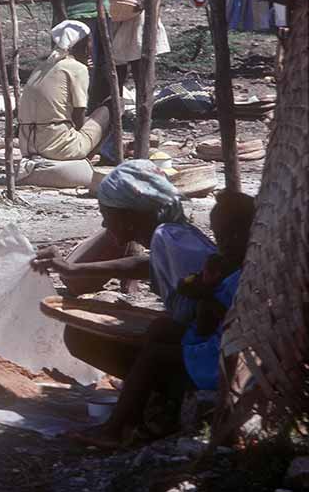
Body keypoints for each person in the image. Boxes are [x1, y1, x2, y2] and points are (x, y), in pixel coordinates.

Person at [62, 191, 255, 449]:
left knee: (154, 355)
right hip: (219, 341)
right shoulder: (233, 263)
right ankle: (150, 405)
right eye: (219, 237)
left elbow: (207, 322)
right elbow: (154, 270)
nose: (223, 244)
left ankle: (115, 429)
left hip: (225, 358)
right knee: (161, 327)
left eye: (227, 237)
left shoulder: (243, 273)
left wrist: (204, 291)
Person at [32, 159, 221, 377]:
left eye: (105, 215)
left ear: (127, 216)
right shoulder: (171, 237)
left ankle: (158, 393)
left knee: (81, 338)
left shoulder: (167, 237)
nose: (104, 225)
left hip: (205, 355)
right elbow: (146, 265)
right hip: (200, 344)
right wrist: (73, 269)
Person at [16, 20, 110, 160]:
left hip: (28, 146)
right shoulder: (77, 68)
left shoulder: (41, 67)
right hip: (58, 149)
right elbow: (78, 116)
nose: (92, 47)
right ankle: (84, 160)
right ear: (82, 45)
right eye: (90, 42)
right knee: (114, 104)